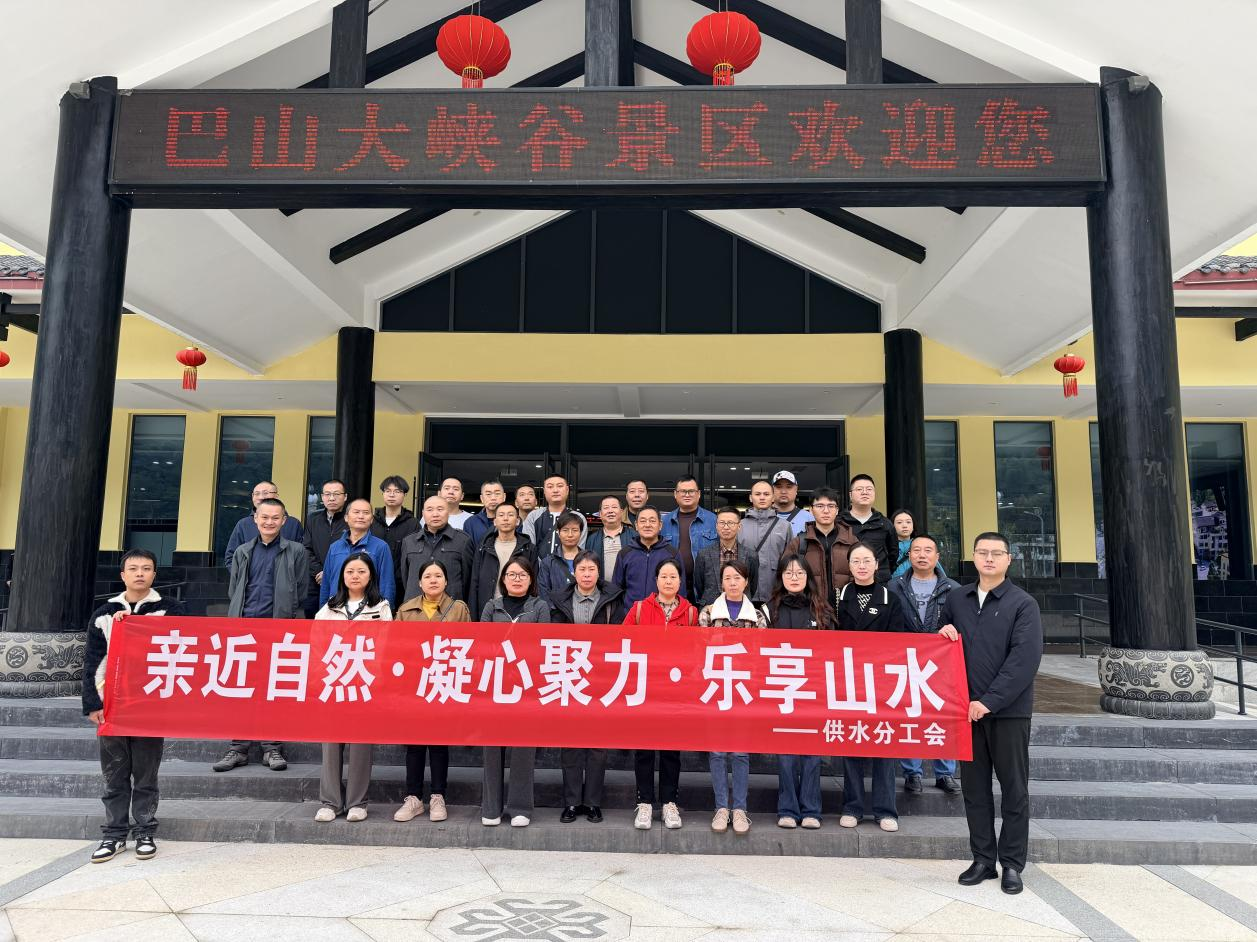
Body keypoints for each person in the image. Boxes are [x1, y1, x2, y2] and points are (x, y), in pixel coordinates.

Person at [939, 532, 1044, 895]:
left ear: (1008, 559)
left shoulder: (1023, 604)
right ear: (973, 557)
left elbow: (1024, 659)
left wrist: (989, 701)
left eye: (996, 553)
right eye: (982, 552)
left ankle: (1012, 863)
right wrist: (942, 630)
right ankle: (983, 859)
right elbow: (942, 647)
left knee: (1014, 789)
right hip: (965, 712)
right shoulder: (957, 599)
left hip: (1008, 712)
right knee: (974, 789)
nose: (988, 558)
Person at [82, 549, 186, 863]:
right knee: (114, 774)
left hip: (150, 705)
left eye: (146, 568)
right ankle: (114, 834)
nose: (140, 573)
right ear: (122, 575)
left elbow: (180, 646)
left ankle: (144, 831)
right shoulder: (104, 613)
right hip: (113, 704)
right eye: (133, 568)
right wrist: (93, 703)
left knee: (145, 774)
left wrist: (134, 624)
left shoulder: (172, 609)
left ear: (155, 574)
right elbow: (92, 661)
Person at [216, 497, 309, 774]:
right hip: (244, 629)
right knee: (242, 689)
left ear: (284, 521)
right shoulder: (243, 551)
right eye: (264, 517)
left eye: (275, 518)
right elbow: (234, 589)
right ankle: (238, 748)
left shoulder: (295, 551)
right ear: (255, 518)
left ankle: (272, 748)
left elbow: (301, 589)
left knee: (272, 690)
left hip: (277, 630)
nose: (269, 522)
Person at [835, 542, 909, 834]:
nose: (862, 566)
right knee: (851, 743)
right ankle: (852, 807)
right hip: (849, 680)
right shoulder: (839, 596)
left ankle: (885, 809)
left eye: (867, 560)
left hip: (881, 682)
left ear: (877, 565)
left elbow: (898, 641)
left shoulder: (891, 598)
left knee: (883, 744)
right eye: (856, 561)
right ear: (849, 565)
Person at [313, 552, 391, 823]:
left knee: (360, 745)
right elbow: (317, 645)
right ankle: (330, 802)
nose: (355, 576)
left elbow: (385, 646)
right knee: (331, 744)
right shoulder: (329, 608)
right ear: (342, 577)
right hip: (333, 682)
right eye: (350, 572)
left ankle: (358, 802)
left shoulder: (381, 607)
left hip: (364, 683)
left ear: (371, 576)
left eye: (361, 571)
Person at [395, 560, 470, 825]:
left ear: (446, 581)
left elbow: (469, 645)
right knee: (414, 744)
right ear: (419, 582)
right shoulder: (406, 610)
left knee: (439, 743)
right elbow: (396, 648)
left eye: (438, 575)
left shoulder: (459, 609)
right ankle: (413, 798)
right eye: (428, 576)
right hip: (414, 685)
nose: (433, 580)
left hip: (443, 683)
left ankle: (438, 796)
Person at [624, 558, 697, 831]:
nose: (668, 581)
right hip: (645, 689)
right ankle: (644, 802)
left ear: (680, 581)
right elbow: (623, 642)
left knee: (671, 750)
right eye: (663, 576)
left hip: (675, 693)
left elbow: (697, 652)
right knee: (644, 749)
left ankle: (669, 802)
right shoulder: (640, 609)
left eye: (673, 576)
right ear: (656, 581)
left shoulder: (690, 613)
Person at [551, 550, 623, 824]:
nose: (587, 574)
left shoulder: (612, 600)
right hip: (568, 676)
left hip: (601, 679)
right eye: (582, 569)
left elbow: (620, 637)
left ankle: (592, 802)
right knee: (570, 743)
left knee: (597, 745)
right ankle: (571, 802)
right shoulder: (560, 600)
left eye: (592, 569)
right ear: (574, 572)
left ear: (598, 573)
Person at [889, 534, 962, 797]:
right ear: (909, 556)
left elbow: (963, 625)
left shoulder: (953, 589)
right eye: (917, 550)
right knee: (910, 714)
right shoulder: (895, 587)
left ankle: (945, 773)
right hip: (906, 660)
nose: (922, 555)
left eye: (928, 550)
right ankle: (913, 772)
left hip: (941, 662)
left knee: (942, 713)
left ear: (937, 557)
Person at [698, 560, 767, 836]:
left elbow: (760, 655)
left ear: (746, 582)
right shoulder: (708, 613)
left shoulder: (758, 617)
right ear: (721, 582)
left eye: (738, 577)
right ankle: (721, 807)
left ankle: (739, 808)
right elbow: (701, 650)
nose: (733, 582)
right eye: (728, 578)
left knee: (739, 751)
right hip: (716, 689)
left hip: (743, 691)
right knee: (717, 751)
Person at [480, 558, 549, 827]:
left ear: (531, 580)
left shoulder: (539, 607)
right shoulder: (492, 606)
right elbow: (483, 643)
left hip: (526, 684)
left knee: (523, 747)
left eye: (522, 575)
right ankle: (491, 807)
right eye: (511, 574)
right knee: (492, 748)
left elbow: (543, 643)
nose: (516, 579)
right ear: (503, 579)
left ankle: (520, 807)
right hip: (496, 683)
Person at [770, 555, 832, 830]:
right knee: (785, 754)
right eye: (788, 573)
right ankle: (787, 809)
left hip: (813, 690)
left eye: (799, 573)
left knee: (811, 753)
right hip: (781, 690)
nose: (794, 578)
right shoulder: (770, 610)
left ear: (808, 577)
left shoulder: (822, 610)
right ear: (781, 577)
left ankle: (811, 810)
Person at [780, 488, 856, 606]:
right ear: (811, 510)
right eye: (820, 506)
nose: (826, 511)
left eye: (831, 506)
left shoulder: (850, 540)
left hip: (845, 607)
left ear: (837, 510)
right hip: (809, 607)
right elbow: (785, 574)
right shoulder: (799, 542)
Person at [399, 495, 475, 605]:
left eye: (440, 509)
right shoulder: (409, 541)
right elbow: (405, 578)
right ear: (423, 513)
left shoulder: (462, 541)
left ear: (448, 512)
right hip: (415, 607)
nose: (435, 514)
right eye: (430, 510)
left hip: (450, 608)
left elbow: (467, 580)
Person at [320, 498, 395, 609]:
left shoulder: (381, 547)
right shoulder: (335, 547)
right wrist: (323, 609)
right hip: (336, 608)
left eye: (366, 513)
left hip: (369, 610)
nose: (361, 516)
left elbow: (387, 584)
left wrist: (386, 610)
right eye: (356, 512)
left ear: (371, 519)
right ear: (346, 517)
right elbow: (326, 583)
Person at [469, 502, 536, 617]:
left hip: (520, 610)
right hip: (488, 608)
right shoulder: (483, 547)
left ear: (517, 521)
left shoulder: (528, 548)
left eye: (510, 515)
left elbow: (533, 582)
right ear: (495, 521)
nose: (505, 518)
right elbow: (474, 582)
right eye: (501, 515)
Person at [612, 506, 684, 607]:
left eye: (652, 521)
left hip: (663, 614)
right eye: (643, 521)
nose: (647, 525)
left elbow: (681, 590)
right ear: (636, 525)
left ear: (660, 525)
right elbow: (616, 590)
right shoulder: (624, 554)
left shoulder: (672, 554)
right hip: (631, 613)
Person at [222, 480, 304, 569]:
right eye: (257, 494)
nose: (261, 497)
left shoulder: (293, 524)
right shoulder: (243, 524)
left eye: (265, 493)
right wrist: (242, 576)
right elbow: (231, 557)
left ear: (276, 496)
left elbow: (301, 557)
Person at [661, 476, 717, 600]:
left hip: (706, 587)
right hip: (673, 588)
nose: (687, 495)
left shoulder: (713, 520)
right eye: (683, 491)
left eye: (691, 491)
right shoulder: (664, 522)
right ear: (675, 494)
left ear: (699, 494)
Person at [739, 479, 793, 605]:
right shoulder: (739, 526)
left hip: (775, 592)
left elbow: (790, 561)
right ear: (750, 497)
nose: (762, 497)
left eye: (766, 494)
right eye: (757, 494)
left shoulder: (784, 526)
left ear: (773, 497)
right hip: (744, 593)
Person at [693, 507, 759, 607]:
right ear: (716, 526)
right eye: (722, 523)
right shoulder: (704, 554)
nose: (726, 527)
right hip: (711, 608)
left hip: (741, 609)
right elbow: (699, 585)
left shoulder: (751, 555)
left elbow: (752, 586)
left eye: (731, 523)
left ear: (739, 526)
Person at [838, 475, 898, 581]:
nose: (865, 492)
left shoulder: (885, 524)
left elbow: (893, 555)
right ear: (850, 495)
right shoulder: (839, 522)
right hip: (846, 582)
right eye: (859, 489)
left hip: (879, 582)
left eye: (869, 489)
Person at [302, 478, 347, 615]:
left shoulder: (351, 519)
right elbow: (306, 549)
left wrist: (329, 574)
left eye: (336, 494)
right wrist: (319, 571)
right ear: (322, 497)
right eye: (327, 494)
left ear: (345, 497)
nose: (331, 498)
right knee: (313, 620)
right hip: (315, 581)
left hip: (343, 582)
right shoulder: (313, 519)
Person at [371, 475, 419, 598]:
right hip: (372, 581)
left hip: (401, 583)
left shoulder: (412, 523)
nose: (392, 495)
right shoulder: (372, 521)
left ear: (404, 495)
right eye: (388, 491)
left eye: (397, 491)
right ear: (383, 494)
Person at [523, 474, 588, 559]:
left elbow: (579, 549)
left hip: (567, 566)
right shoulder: (533, 516)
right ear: (544, 491)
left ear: (567, 490)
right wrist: (542, 565)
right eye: (550, 487)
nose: (555, 490)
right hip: (537, 566)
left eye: (560, 486)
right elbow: (529, 549)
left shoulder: (578, 517)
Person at [537, 510, 585, 603]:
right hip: (556, 610)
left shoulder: (589, 560)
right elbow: (544, 594)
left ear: (581, 532)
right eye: (565, 530)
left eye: (575, 530)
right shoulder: (547, 563)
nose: (570, 535)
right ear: (558, 533)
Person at [585, 495, 635, 583]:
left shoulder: (634, 537)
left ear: (621, 512)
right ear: (600, 514)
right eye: (606, 508)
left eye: (614, 507)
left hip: (628, 588)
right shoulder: (591, 539)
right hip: (601, 589)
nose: (610, 511)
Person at [463, 479, 507, 545]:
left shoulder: (513, 520)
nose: (493, 498)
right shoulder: (470, 523)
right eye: (488, 494)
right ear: (482, 498)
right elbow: (468, 549)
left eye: (497, 494)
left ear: (504, 497)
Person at [772, 470, 814, 536]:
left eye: (788, 487)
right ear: (772, 490)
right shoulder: (762, 516)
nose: (783, 491)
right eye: (779, 487)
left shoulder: (808, 518)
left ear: (796, 489)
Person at [890, 509, 915, 578]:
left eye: (908, 522)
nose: (904, 526)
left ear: (913, 526)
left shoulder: (922, 546)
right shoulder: (887, 548)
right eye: (899, 522)